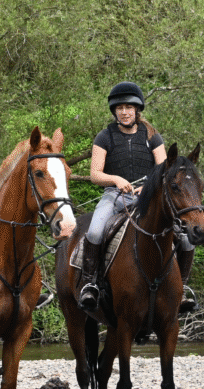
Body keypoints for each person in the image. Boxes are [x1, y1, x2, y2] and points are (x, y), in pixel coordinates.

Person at [78, 81, 196, 313]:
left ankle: (182, 288)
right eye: (120, 108)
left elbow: (164, 169)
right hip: (115, 195)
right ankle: (90, 284)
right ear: (114, 111)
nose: (124, 112)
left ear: (136, 110)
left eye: (129, 108)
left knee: (185, 238)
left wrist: (148, 187)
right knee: (94, 231)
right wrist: (115, 180)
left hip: (148, 197)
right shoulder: (104, 137)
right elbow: (95, 174)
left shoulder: (152, 136)